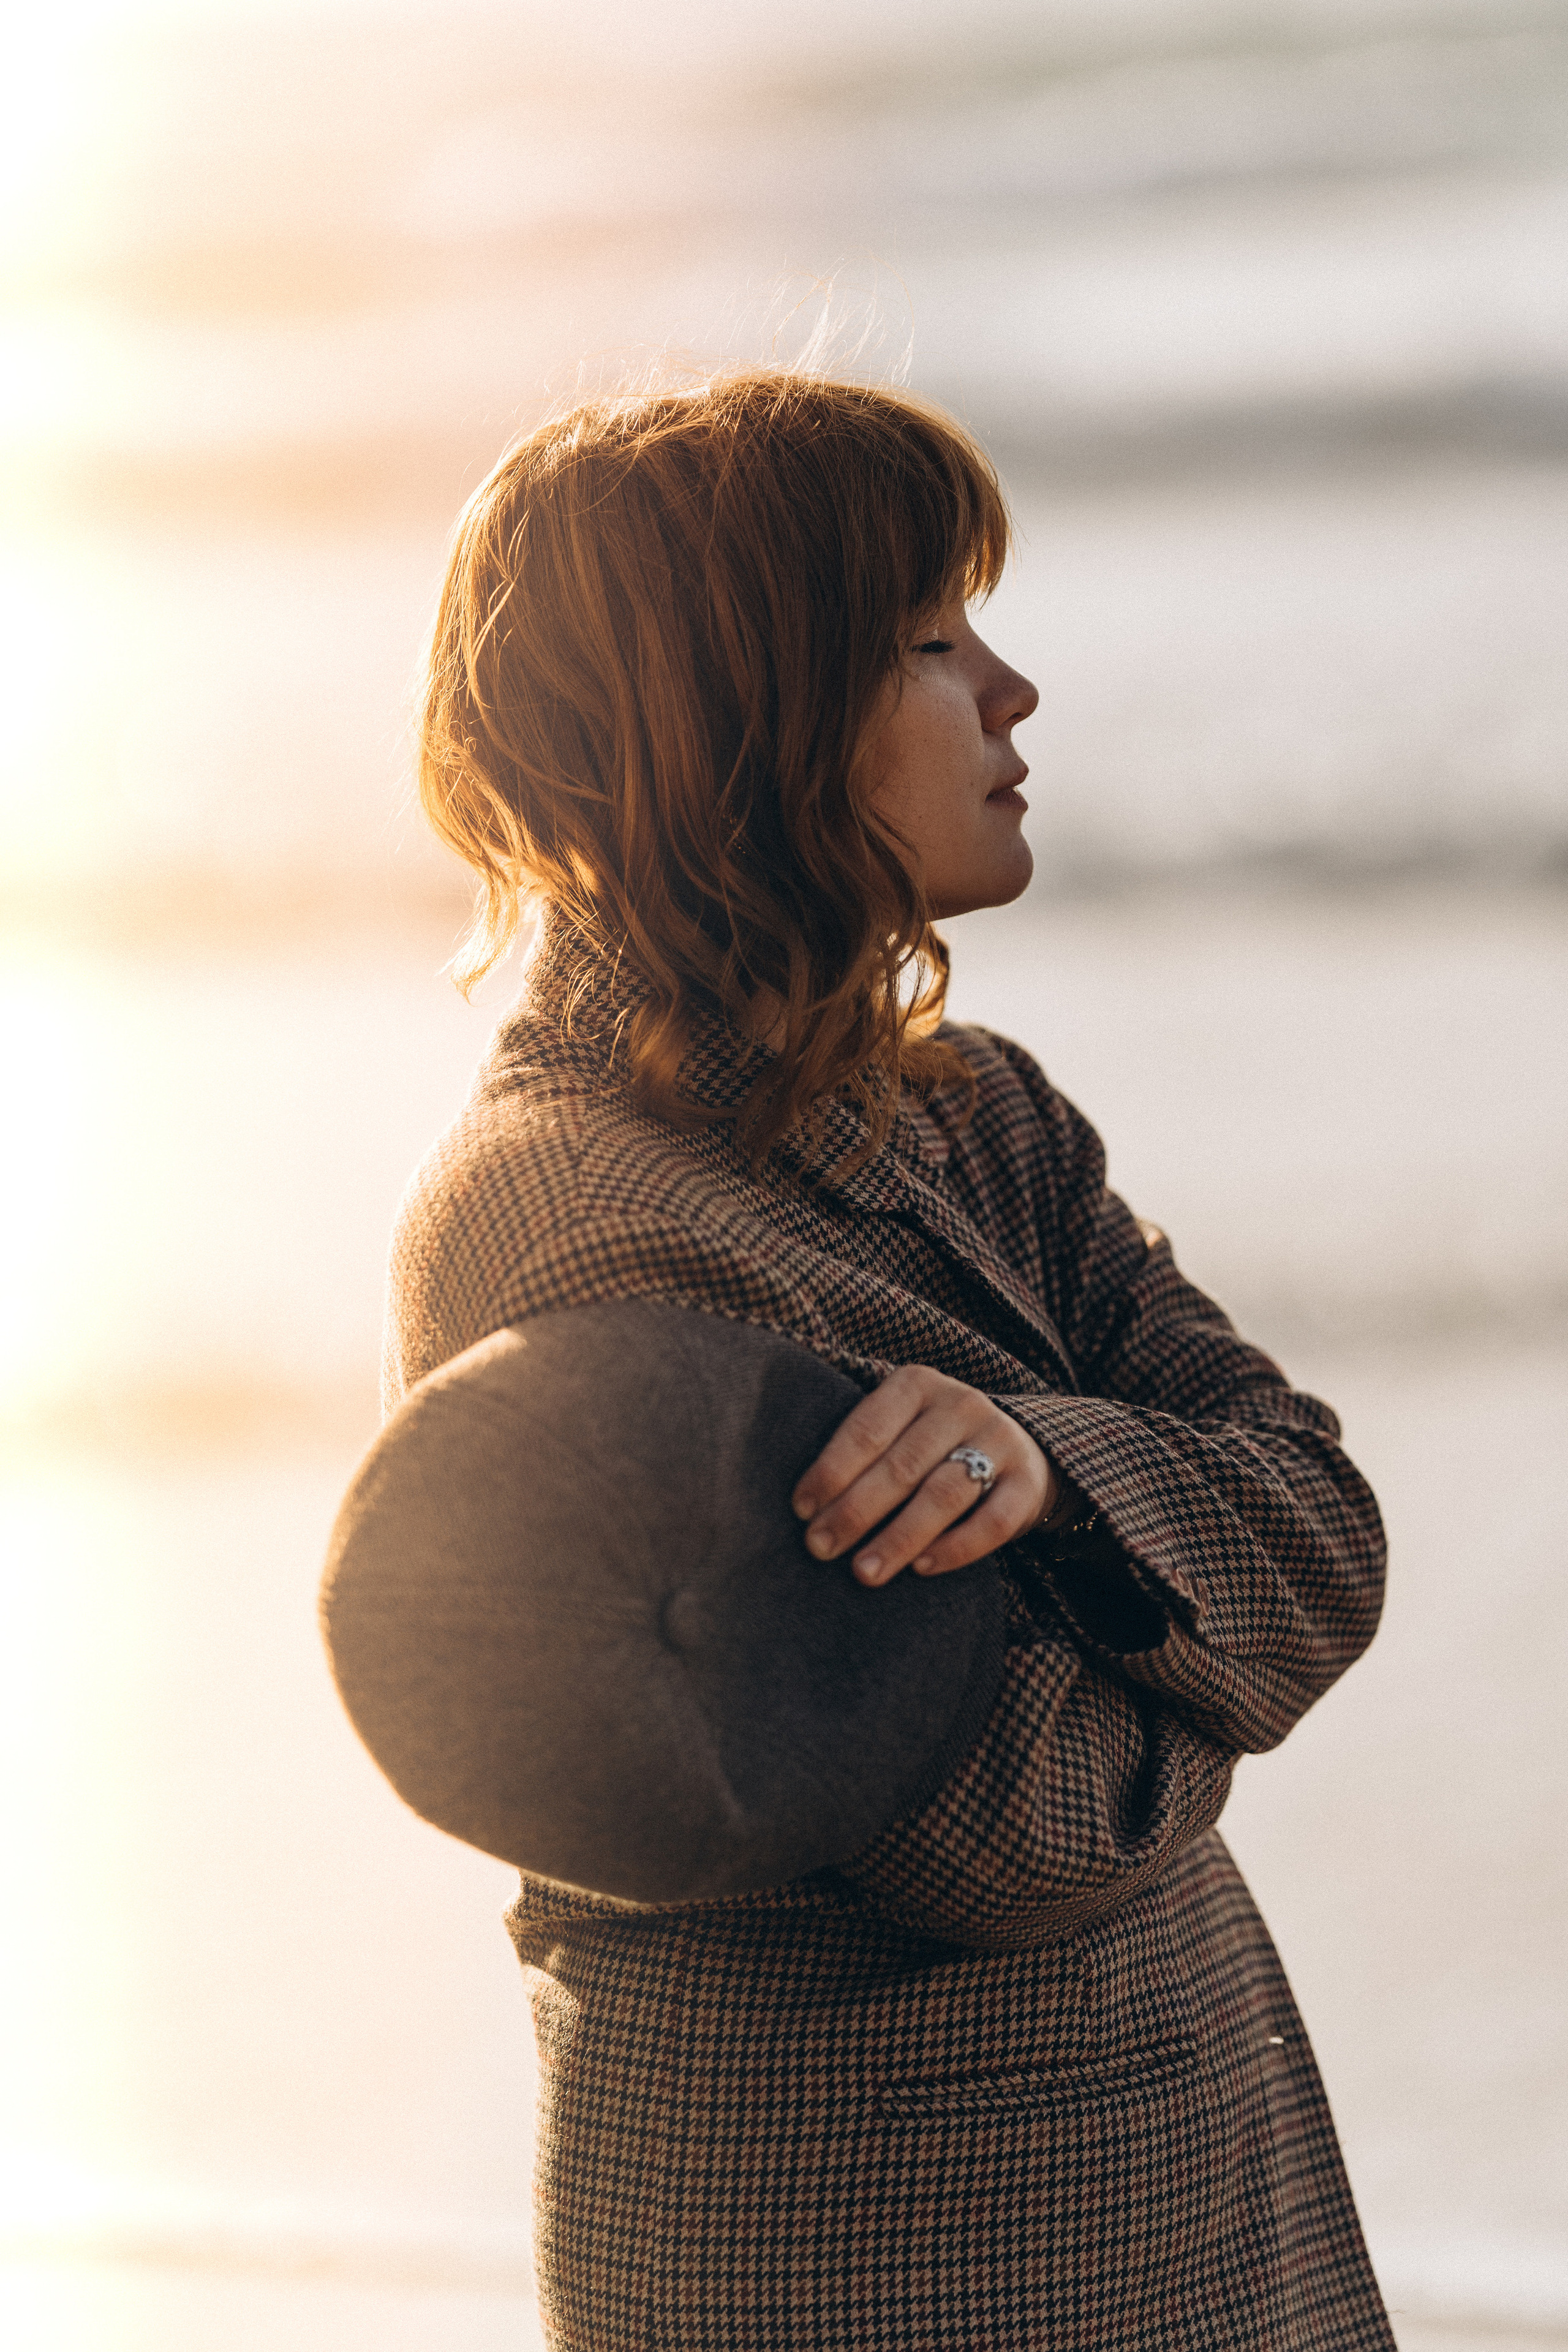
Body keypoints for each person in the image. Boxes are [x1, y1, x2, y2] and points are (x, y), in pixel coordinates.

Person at [379, 370, 1395, 2347]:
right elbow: (1026, 1826)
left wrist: (1042, 1471)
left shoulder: (976, 1115)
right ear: (741, 728)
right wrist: (1191, 1616)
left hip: (1184, 2185)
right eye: (932, 645)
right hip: (881, 2254)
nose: (1014, 695)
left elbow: (1329, 1525)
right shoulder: (578, 1222)